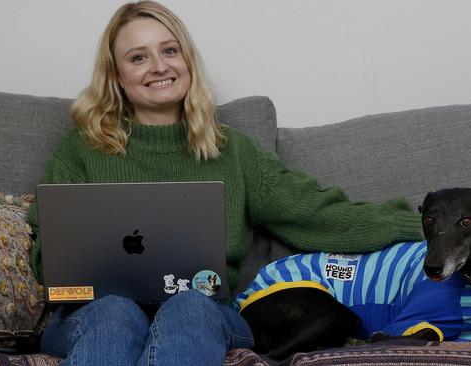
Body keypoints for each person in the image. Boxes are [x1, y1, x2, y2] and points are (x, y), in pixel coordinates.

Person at [27, 1, 423, 365]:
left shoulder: (232, 152)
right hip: (91, 316)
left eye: (169, 51)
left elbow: (318, 214)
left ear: (187, 60)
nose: (159, 67)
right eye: (138, 57)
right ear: (118, 76)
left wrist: (424, 226)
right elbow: (48, 256)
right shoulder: (81, 150)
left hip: (203, 312)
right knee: (116, 311)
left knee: (189, 305)